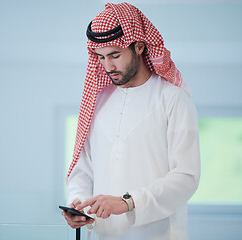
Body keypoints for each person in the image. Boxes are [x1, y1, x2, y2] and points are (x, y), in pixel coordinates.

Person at [61, 2, 200, 240]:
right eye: (101, 57)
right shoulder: (98, 101)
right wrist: (78, 204)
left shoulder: (173, 98)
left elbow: (186, 177)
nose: (108, 66)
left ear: (139, 47)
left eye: (115, 55)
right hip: (105, 234)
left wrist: (128, 202)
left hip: (159, 234)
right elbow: (83, 169)